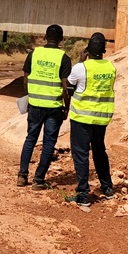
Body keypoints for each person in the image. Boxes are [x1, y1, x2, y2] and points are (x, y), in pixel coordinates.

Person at [18, 24, 72, 190]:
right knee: (49, 143)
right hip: (54, 107)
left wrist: (28, 97)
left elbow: (25, 79)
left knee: (30, 139)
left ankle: (22, 176)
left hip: (35, 105)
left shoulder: (34, 53)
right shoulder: (64, 58)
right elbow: (66, 87)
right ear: (61, 39)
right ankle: (38, 180)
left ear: (45, 37)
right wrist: (66, 107)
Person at [67, 32, 116, 206]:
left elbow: (69, 85)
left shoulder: (81, 68)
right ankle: (107, 187)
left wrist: (81, 60)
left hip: (82, 118)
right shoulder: (111, 68)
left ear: (87, 49)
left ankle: (83, 194)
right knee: (99, 151)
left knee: (80, 154)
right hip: (101, 118)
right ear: (104, 50)